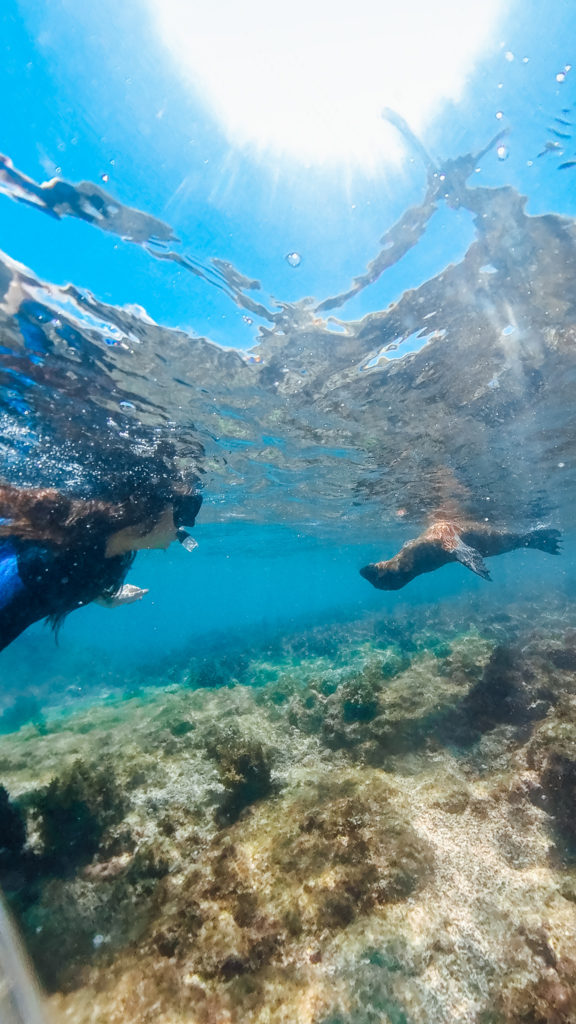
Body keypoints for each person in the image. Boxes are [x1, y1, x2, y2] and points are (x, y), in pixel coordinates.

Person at [0, 453, 202, 652]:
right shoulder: (47, 562)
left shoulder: (108, 553)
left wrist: (103, 595)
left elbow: (79, 571)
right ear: (148, 511)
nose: (187, 524)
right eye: (184, 511)